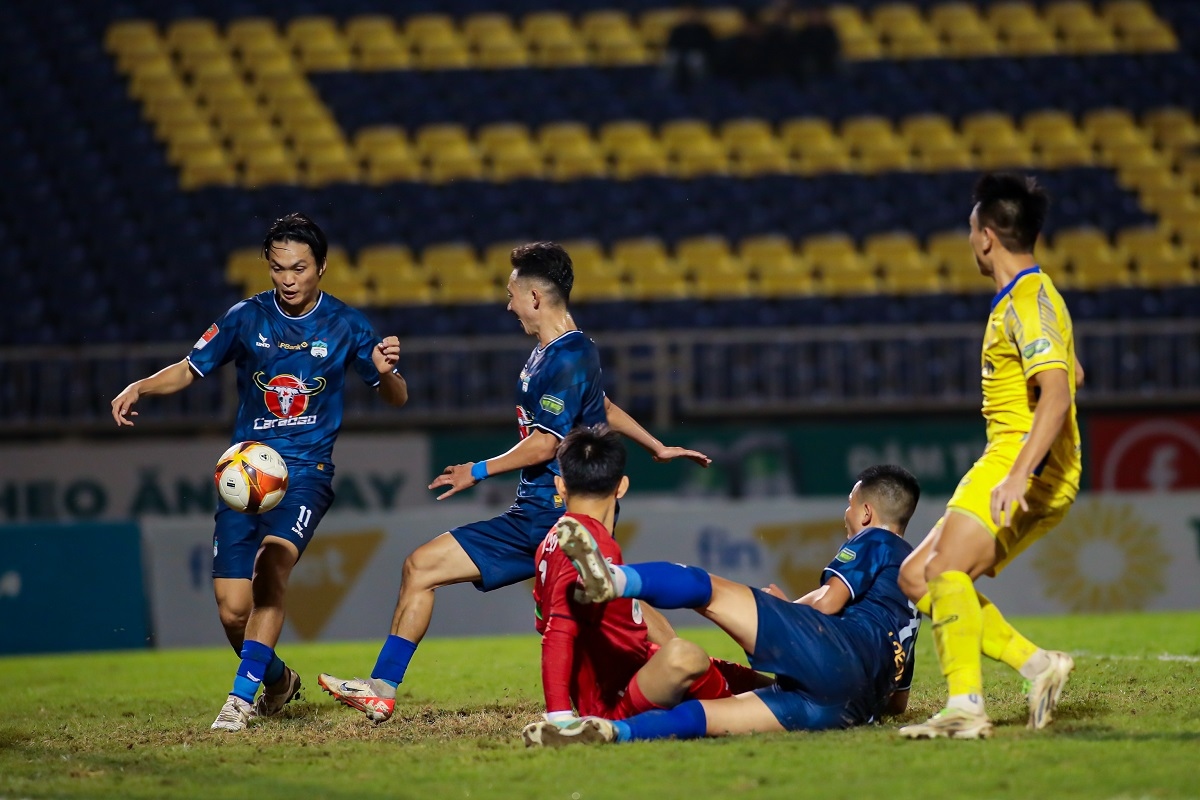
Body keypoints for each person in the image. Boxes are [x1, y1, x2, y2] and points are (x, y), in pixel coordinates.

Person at [318, 242, 711, 723]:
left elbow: (547, 444)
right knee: (421, 567)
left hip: (561, 513)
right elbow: (602, 407)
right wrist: (657, 445)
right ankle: (381, 687)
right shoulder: (556, 353)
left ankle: (699, 679)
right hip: (534, 511)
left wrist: (476, 470)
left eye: (511, 294)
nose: (508, 305)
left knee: (613, 604)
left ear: (536, 299)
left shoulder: (569, 355)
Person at [110, 213, 409, 732]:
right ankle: (277, 681)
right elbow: (189, 366)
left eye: (298, 268)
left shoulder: (347, 324)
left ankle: (240, 700)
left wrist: (388, 374)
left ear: (321, 266)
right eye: (277, 269)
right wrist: (141, 385)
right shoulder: (246, 317)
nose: (288, 279)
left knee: (272, 569)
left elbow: (398, 398)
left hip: (305, 471)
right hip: (245, 475)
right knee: (232, 609)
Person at [523, 464, 923, 747]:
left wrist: (792, 613)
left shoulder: (877, 542)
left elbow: (829, 601)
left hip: (834, 652)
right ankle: (612, 733)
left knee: (707, 590)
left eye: (851, 505)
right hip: (849, 709)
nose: (847, 513)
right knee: (711, 717)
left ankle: (612, 579)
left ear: (867, 512)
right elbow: (897, 702)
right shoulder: (912, 602)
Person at [896, 173, 1083, 741]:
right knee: (916, 578)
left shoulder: (1028, 298)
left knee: (945, 570)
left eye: (970, 228)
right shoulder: (1026, 300)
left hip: (1020, 463)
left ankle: (965, 706)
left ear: (985, 238)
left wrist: (1021, 472)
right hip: (1009, 457)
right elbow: (1070, 373)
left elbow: (1057, 389)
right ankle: (1038, 666)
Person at [533, 425, 765, 733]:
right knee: (686, 657)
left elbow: (544, 620)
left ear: (560, 486)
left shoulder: (556, 540)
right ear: (622, 486)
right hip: (613, 699)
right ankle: (729, 719)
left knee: (756, 683)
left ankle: (745, 699)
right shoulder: (590, 544)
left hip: (637, 668)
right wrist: (560, 718)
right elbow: (558, 628)